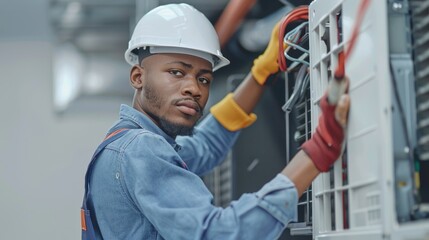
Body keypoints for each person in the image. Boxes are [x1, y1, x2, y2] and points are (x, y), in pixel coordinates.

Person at [82, 3, 350, 240]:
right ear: (138, 77)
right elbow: (218, 234)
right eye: (176, 72)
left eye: (204, 79)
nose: (194, 89)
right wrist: (320, 149)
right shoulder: (141, 151)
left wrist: (263, 71)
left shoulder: (122, 144)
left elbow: (206, 145)